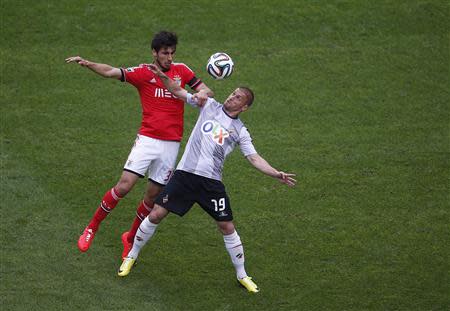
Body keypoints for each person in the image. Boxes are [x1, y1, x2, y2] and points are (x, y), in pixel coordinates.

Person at [117, 64, 297, 293]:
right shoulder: (209, 106)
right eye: (232, 93)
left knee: (227, 226)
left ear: (245, 107)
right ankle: (131, 256)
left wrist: (276, 173)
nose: (232, 97)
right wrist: (163, 77)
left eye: (238, 97)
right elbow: (179, 92)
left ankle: (243, 275)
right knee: (156, 214)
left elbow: (254, 158)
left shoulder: (240, 131)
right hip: (184, 176)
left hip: (210, 183)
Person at [65, 31, 213, 258]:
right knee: (124, 186)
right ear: (155, 52)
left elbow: (206, 90)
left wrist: (201, 94)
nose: (170, 57)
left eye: (172, 52)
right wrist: (88, 64)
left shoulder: (182, 71)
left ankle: (130, 237)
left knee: (152, 197)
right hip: (147, 139)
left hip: (171, 144)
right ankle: (92, 227)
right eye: (165, 53)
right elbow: (111, 71)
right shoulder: (144, 72)